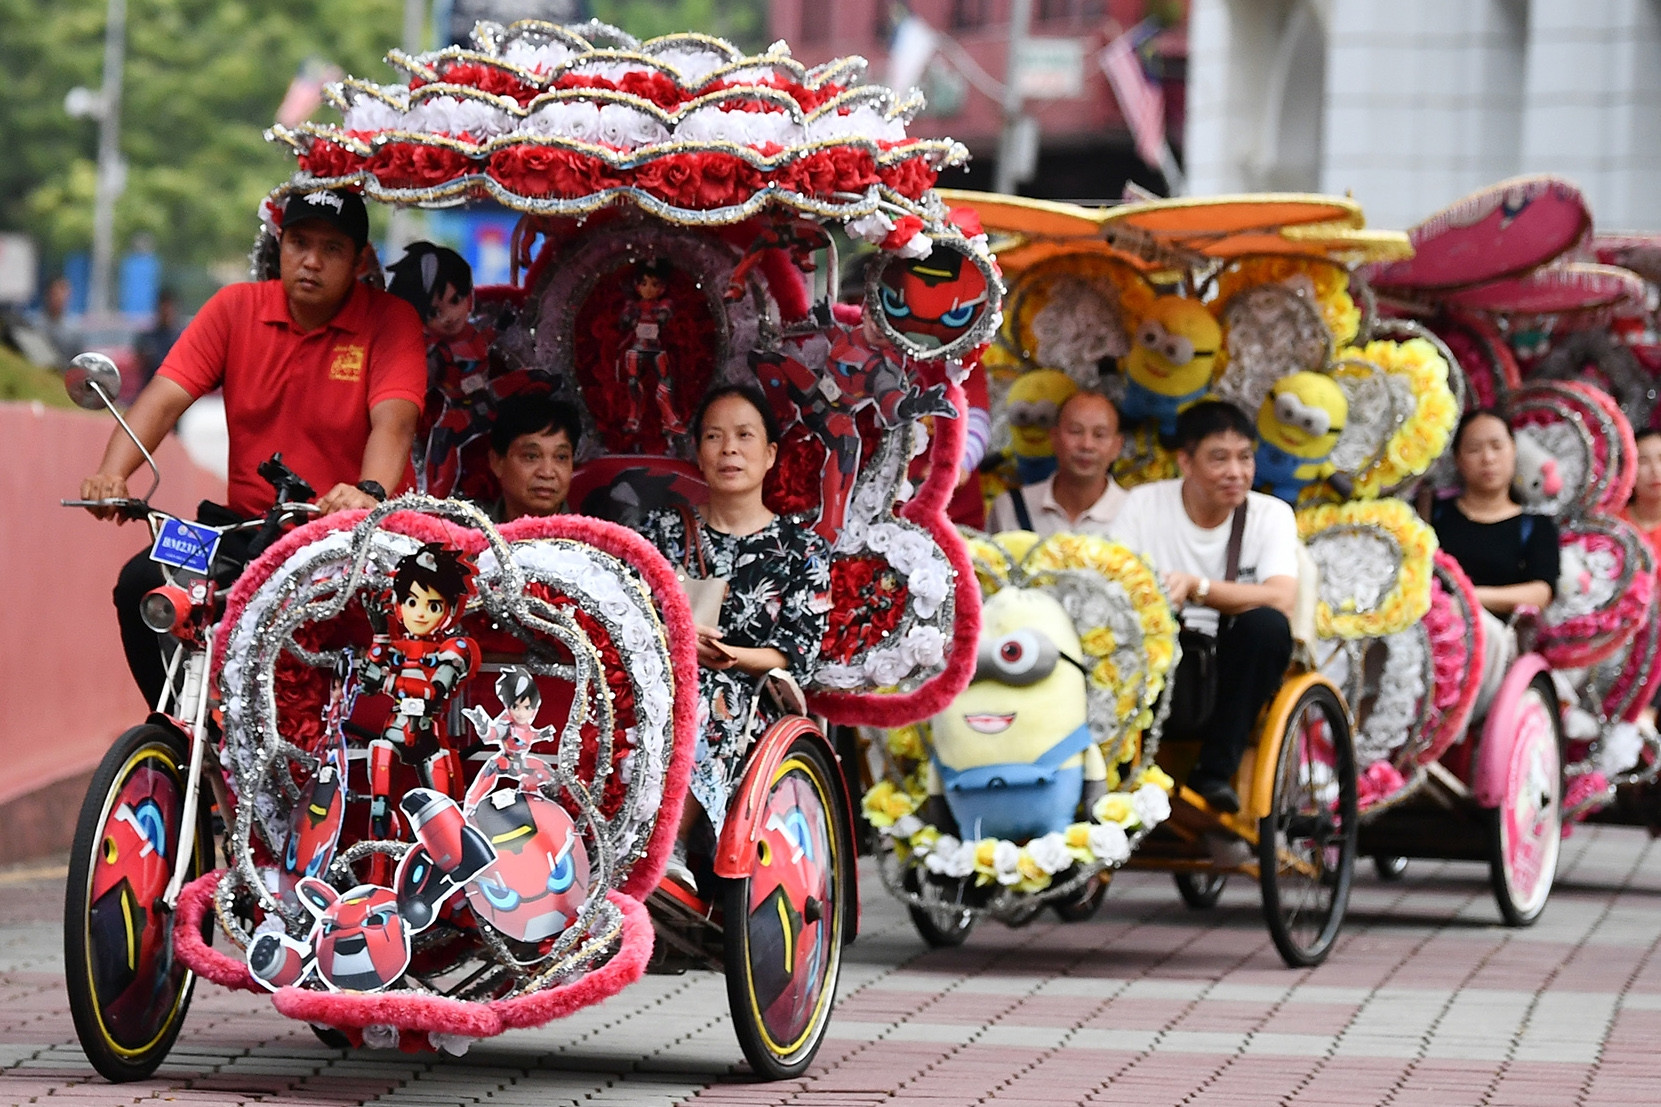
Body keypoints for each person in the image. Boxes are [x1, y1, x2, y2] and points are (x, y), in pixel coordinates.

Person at [79, 188, 428, 706]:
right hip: (244, 530)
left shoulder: (390, 320)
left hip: (355, 541)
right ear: (279, 245)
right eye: (299, 243)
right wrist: (113, 473)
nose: (311, 261)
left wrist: (368, 491)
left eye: (331, 249)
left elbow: (394, 423)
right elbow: (164, 398)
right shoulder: (234, 309)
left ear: (359, 261)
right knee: (142, 583)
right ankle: (183, 740)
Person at [636, 384, 831, 886]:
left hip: (750, 694)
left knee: (709, 694)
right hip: (660, 676)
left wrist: (728, 655)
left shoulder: (800, 549)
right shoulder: (661, 532)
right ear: (698, 453)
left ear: (769, 455)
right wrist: (672, 636)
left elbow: (798, 655)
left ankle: (669, 843)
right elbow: (629, 610)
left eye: (745, 436)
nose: (729, 450)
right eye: (715, 437)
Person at [1110, 401, 1300, 813]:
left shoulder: (1271, 515)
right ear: (1185, 461)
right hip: (1161, 648)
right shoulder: (1143, 504)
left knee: (1266, 627)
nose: (1236, 472)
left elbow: (1282, 597)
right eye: (1219, 458)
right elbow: (1113, 585)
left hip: (1230, 659)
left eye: (1245, 457)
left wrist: (1198, 588)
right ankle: (1121, 767)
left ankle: (1214, 772)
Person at [1431, 409, 1560, 717]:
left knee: (1483, 631)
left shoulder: (1535, 526)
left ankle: (1451, 722)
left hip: (1493, 642)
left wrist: (1471, 601)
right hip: (1432, 626)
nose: (1487, 458)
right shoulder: (1433, 513)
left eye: (1497, 446)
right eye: (1474, 449)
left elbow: (1541, 592)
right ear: (1459, 460)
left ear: (1514, 451)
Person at [386, 241, 498, 498]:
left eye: (455, 300)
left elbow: (487, 341)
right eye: (434, 312)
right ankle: (434, 501)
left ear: (469, 296)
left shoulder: (476, 336)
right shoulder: (426, 351)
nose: (447, 316)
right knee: (442, 440)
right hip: (453, 409)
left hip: (490, 403)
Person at [987, 390, 1127, 536]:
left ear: (1117, 446)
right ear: (1054, 437)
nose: (1087, 445)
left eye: (1099, 435)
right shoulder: (1011, 507)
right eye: (1075, 431)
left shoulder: (1134, 513)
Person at [484, 392, 581, 522]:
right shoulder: (464, 539)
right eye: (531, 456)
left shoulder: (593, 541)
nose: (547, 473)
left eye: (561, 457)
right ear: (497, 462)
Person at [133, 288, 182, 389]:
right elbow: (138, 364)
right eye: (163, 307)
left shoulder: (181, 338)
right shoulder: (147, 338)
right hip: (150, 389)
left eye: (169, 307)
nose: (166, 311)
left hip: (175, 392)